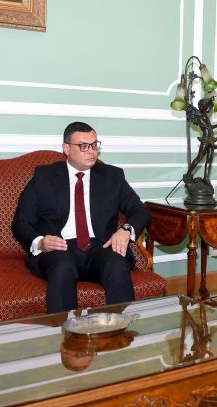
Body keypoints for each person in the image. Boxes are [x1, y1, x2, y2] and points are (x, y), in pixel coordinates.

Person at [11, 121, 151, 313]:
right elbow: (21, 222)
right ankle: (63, 329)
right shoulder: (44, 176)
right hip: (60, 248)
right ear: (66, 148)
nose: (91, 151)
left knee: (116, 265)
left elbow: (140, 210)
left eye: (94, 145)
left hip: (101, 246)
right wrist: (41, 242)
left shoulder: (112, 176)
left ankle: (121, 328)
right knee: (62, 268)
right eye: (83, 146)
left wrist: (126, 229)